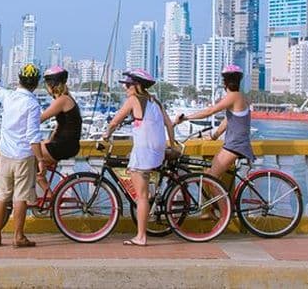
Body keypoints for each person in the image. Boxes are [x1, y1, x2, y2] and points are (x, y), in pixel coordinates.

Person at [102, 68, 176, 247]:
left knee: (141, 197)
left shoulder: (133, 100)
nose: (126, 87)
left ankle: (141, 236)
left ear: (137, 86)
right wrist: (172, 146)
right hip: (157, 150)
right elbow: (169, 124)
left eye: (128, 84)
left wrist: (106, 135)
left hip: (144, 151)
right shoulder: (155, 101)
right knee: (143, 188)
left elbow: (115, 121)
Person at [0, 63, 45, 248]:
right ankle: (18, 236)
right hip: (23, 156)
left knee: (2, 196)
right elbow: (33, 136)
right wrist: (40, 160)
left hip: (6, 154)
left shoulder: (9, 96)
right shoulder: (32, 104)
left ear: (19, 80)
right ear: (35, 84)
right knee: (20, 197)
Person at [175, 64, 255, 180]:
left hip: (235, 145)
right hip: (234, 144)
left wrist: (186, 118)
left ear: (225, 82)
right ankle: (221, 197)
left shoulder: (233, 96)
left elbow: (210, 111)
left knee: (212, 177)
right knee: (209, 173)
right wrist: (215, 136)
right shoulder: (239, 97)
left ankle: (224, 199)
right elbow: (228, 120)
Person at [36, 66, 82, 196]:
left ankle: (49, 194)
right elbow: (60, 125)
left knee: (27, 151)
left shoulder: (62, 100)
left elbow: (39, 119)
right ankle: (45, 192)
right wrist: (48, 141)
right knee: (36, 159)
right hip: (66, 144)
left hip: (63, 146)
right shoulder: (67, 98)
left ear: (51, 84)